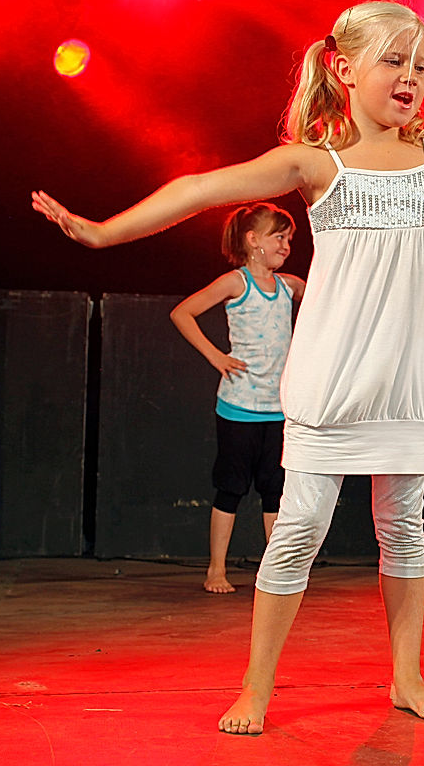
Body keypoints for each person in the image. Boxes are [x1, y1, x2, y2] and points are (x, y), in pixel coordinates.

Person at [32, 0, 424, 732]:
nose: (410, 78)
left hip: (404, 376)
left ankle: (406, 677)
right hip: (332, 376)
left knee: (405, 526)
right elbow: (200, 187)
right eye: (393, 61)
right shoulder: (314, 162)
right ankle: (257, 687)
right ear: (344, 68)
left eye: (421, 65)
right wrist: (103, 234)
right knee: (297, 529)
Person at [170, 203, 306, 594]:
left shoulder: (289, 286)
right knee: (231, 487)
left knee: (275, 489)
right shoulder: (236, 282)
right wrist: (215, 356)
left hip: (278, 410)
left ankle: (276, 572)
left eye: (289, 239)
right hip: (239, 407)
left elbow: (328, 300)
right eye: (279, 237)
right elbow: (183, 313)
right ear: (253, 241)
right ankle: (216, 569)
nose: (286, 245)